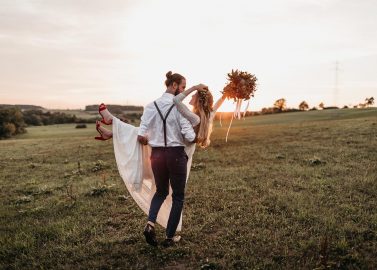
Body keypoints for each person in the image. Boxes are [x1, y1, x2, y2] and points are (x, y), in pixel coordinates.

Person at [95, 71, 208, 247]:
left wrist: (151, 137)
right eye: (183, 87)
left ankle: (150, 225)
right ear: (174, 85)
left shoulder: (150, 106)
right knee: (178, 196)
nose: (184, 91)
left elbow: (141, 136)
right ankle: (169, 238)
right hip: (176, 155)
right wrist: (196, 136)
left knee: (161, 192)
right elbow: (187, 135)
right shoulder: (179, 109)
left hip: (156, 155)